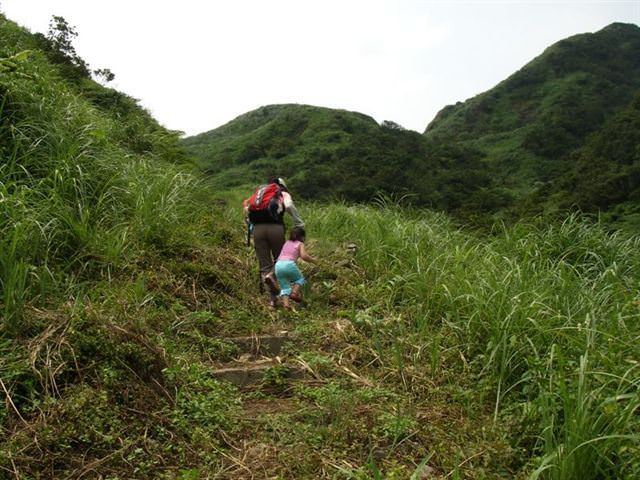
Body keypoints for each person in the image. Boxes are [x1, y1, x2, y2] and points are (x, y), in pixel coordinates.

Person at [243, 177, 305, 307]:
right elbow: (288, 205)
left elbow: (247, 209)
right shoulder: (281, 192)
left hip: (257, 230)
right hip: (275, 228)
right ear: (282, 185)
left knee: (264, 265)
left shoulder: (258, 195)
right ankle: (280, 291)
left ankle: (272, 300)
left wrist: (250, 225)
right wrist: (298, 222)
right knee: (280, 260)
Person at [274, 227, 316, 310]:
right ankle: (294, 292)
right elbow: (304, 256)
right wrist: (314, 260)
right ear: (302, 237)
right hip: (289, 264)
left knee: (284, 286)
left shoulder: (286, 243)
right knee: (300, 279)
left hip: (278, 265)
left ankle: (286, 306)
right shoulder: (300, 243)